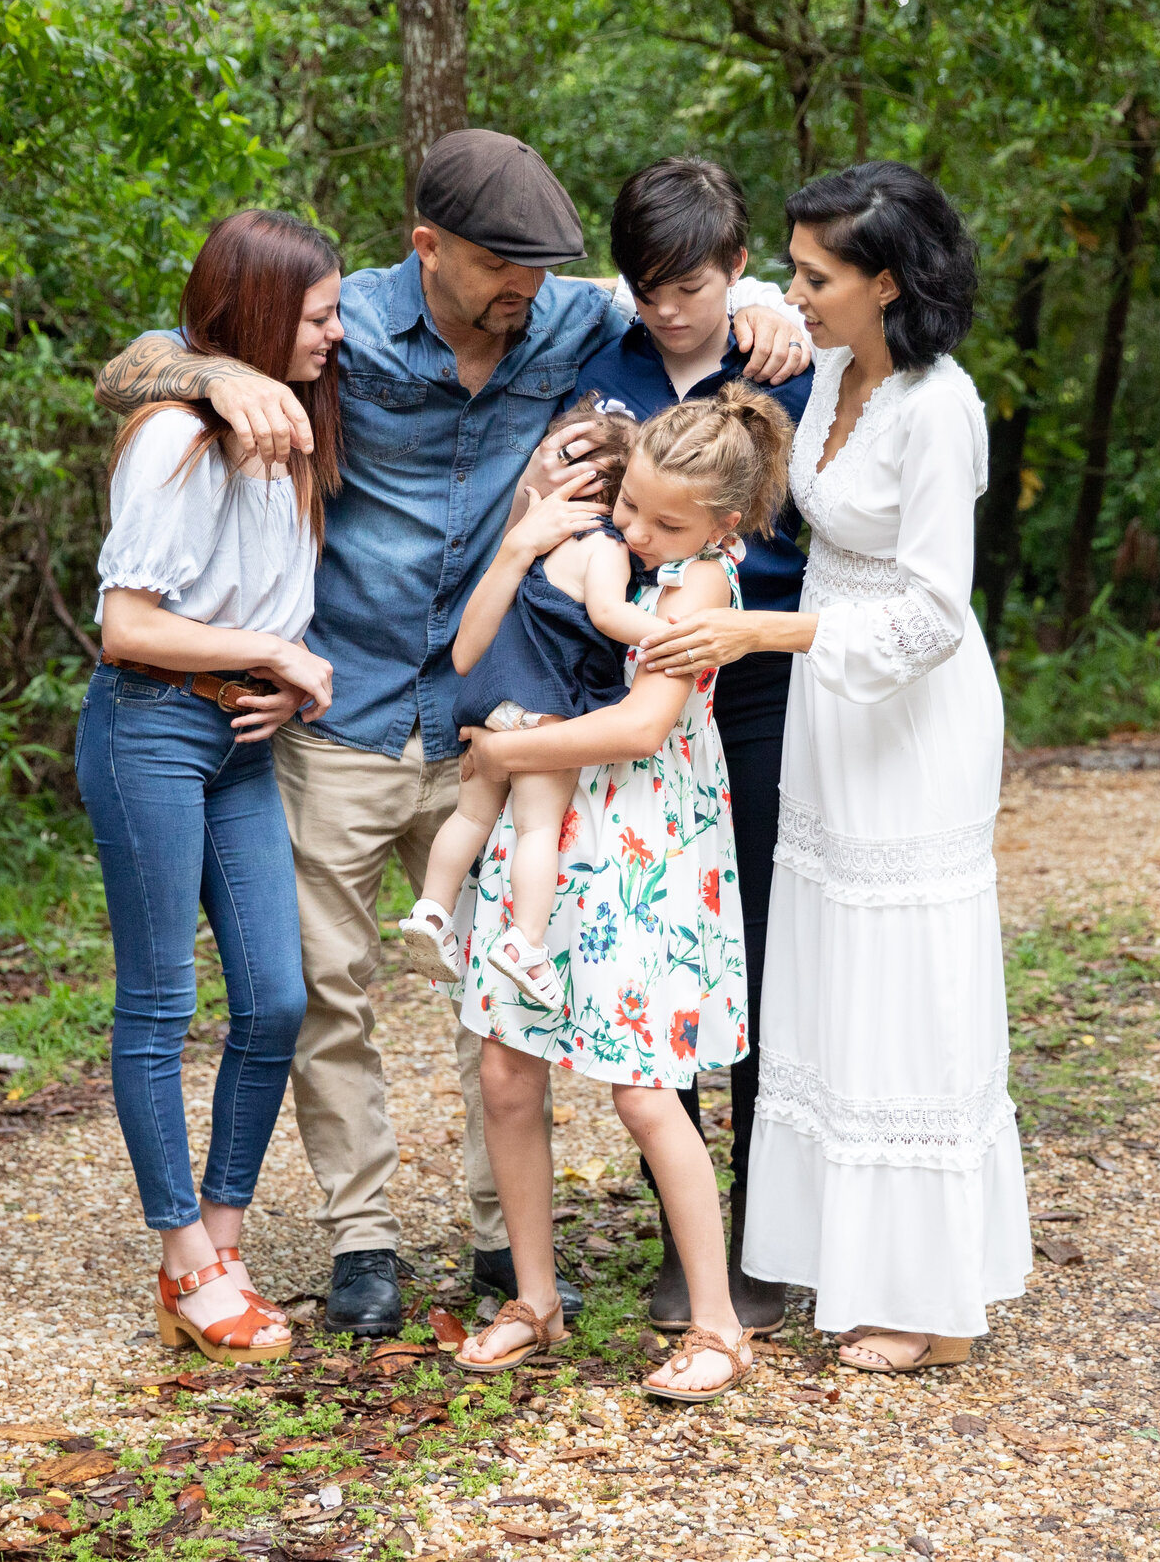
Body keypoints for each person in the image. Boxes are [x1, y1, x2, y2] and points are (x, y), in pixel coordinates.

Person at [92, 130, 812, 1338]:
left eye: (540, 268)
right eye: (497, 267)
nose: (521, 291)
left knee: (504, 985)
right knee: (330, 988)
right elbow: (144, 356)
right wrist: (211, 375)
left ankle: (498, 1238)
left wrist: (752, 294)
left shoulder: (566, 318)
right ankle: (361, 1234)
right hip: (342, 705)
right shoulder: (346, 323)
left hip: (497, 705)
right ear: (426, 246)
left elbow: (677, 287)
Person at [637, 162, 1033, 1373]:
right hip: (827, 711)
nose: (790, 293)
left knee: (904, 979)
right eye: (792, 272)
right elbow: (683, 284)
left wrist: (763, 632)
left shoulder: (936, 402)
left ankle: (936, 1293)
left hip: (909, 713)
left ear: (886, 282)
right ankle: (847, 1256)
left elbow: (929, 615)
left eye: (813, 277)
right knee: (830, 975)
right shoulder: (838, 374)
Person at [448, 387, 794, 1399]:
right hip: (551, 832)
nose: (637, 530)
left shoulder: (700, 590)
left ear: (724, 526)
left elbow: (644, 725)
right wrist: (522, 542)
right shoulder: (609, 549)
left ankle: (718, 1321)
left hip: (642, 848)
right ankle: (535, 1296)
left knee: (646, 1090)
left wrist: (511, 747)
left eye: (664, 521)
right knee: (509, 1071)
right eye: (631, 506)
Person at [77, 210, 347, 1365]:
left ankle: (222, 1239)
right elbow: (124, 625)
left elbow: (262, 608)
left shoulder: (291, 434)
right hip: (149, 731)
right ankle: (184, 1258)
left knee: (276, 999)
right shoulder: (173, 438)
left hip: (241, 736)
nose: (336, 334)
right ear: (258, 314)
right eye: (319, 314)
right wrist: (274, 654)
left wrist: (278, 677)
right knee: (158, 1004)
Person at [565, 156, 813, 1338]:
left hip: (753, 690)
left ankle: (761, 1240)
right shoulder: (595, 359)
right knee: (661, 965)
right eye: (647, 285)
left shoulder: (779, 357)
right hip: (631, 686)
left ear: (736, 267)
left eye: (692, 286)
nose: (668, 309)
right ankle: (684, 1235)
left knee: (751, 955)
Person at [395, 406, 657, 1001]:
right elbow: (609, 615)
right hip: (545, 711)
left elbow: (473, 642)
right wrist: (666, 631)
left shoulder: (533, 540)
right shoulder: (603, 547)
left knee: (470, 817)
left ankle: (433, 910)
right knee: (539, 828)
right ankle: (526, 942)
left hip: (489, 706)